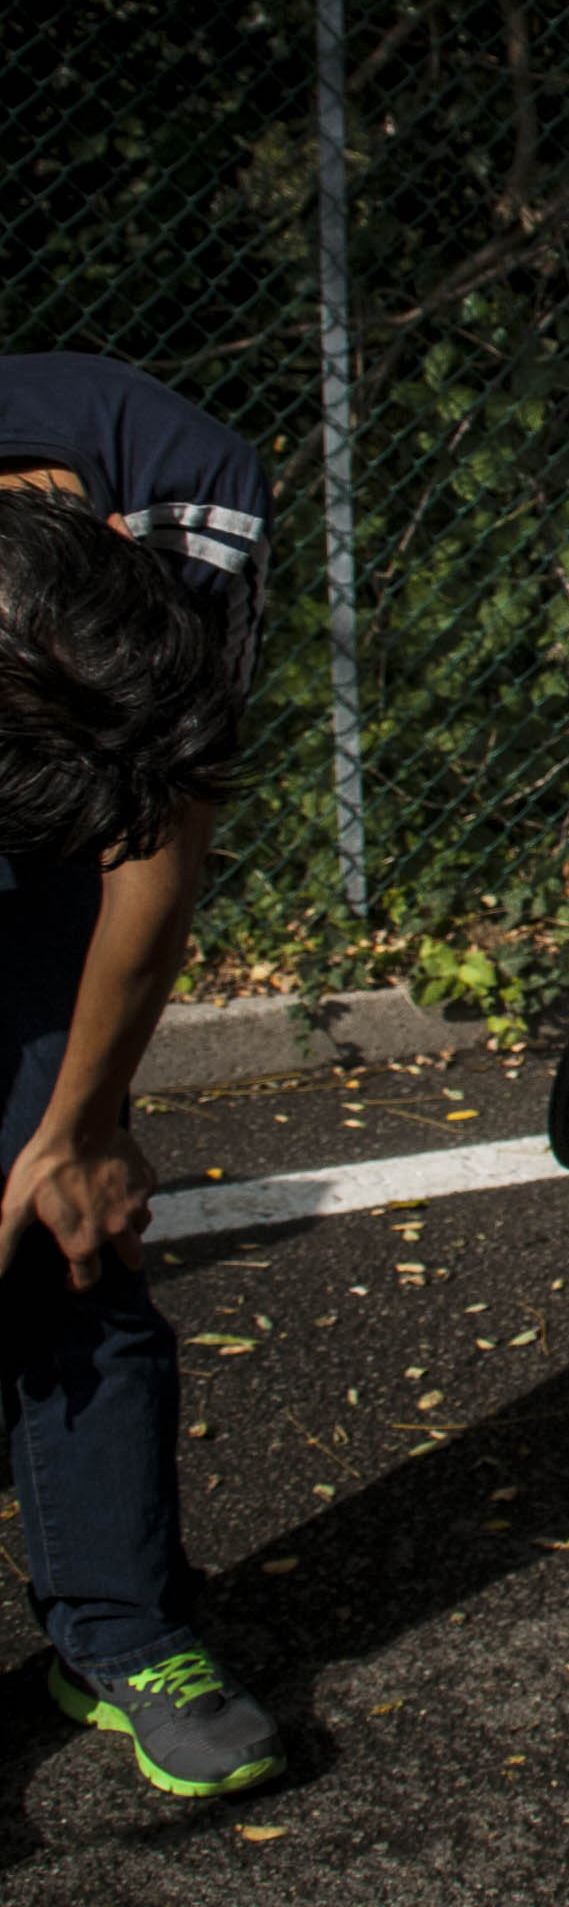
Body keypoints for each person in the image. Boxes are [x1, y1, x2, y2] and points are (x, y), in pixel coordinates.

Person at [0, 352, 281, 1798]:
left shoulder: (189, 498)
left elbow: (156, 848)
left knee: (62, 1224)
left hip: (72, 750)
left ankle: (120, 1629)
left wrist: (83, 1125)